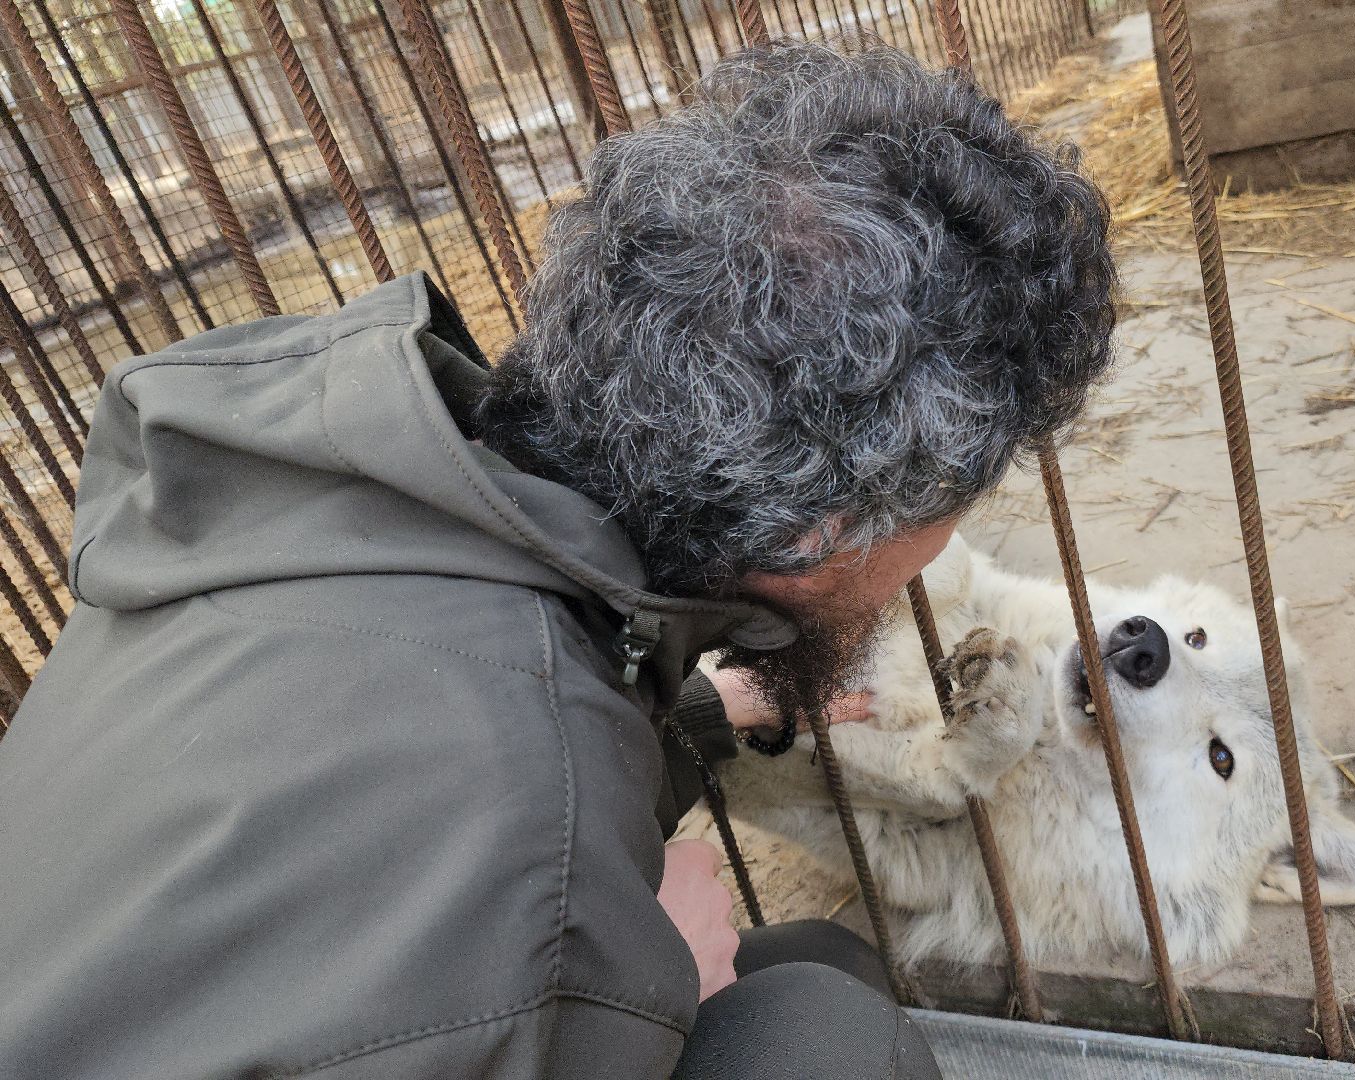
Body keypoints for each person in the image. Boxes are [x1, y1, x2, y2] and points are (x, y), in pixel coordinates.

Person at [0, 40, 1113, 1080]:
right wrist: (620, 996)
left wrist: (704, 719)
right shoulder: (533, 913)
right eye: (949, 507)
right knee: (817, 1032)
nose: (932, 558)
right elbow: (494, 883)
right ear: (810, 536)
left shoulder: (305, 464)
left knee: (807, 955)